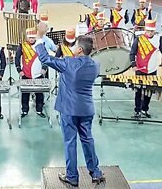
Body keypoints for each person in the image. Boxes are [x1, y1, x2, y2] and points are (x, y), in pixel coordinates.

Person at [34, 23, 105, 186]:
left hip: (69, 110)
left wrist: (40, 37)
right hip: (87, 109)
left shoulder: (68, 63)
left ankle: (72, 176)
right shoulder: (95, 65)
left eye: (74, 46)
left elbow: (45, 58)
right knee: (88, 139)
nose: (72, 48)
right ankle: (95, 172)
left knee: (70, 142)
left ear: (80, 50)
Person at [130, 19, 162, 118]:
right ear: (145, 30)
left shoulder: (158, 40)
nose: (150, 33)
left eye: (152, 31)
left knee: (149, 92)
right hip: (140, 70)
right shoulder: (138, 39)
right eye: (148, 31)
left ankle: (144, 109)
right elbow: (132, 53)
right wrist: (133, 65)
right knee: (138, 91)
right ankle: (137, 110)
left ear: (154, 31)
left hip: (152, 70)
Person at [15, 28, 48, 118]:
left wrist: (44, 68)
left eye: (33, 38)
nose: (31, 39)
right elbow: (17, 59)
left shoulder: (40, 45)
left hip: (38, 74)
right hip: (26, 74)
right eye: (30, 38)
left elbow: (45, 57)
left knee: (39, 94)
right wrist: (19, 70)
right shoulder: (22, 46)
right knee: (25, 94)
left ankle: (39, 109)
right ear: (27, 37)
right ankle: (25, 110)